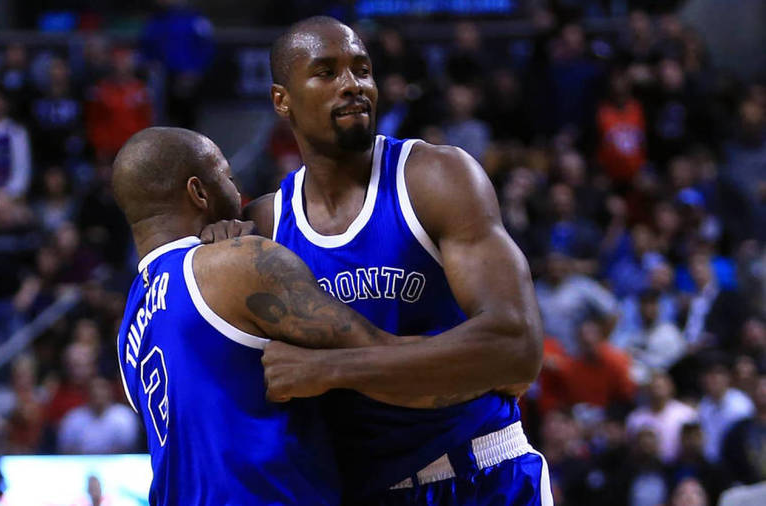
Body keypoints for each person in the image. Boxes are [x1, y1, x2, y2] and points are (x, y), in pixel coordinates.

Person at [207, 16, 547, 505]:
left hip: (480, 473)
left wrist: (332, 369)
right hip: (362, 489)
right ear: (282, 100)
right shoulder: (264, 226)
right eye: (326, 72)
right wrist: (215, 256)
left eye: (362, 69)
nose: (352, 85)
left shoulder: (435, 177)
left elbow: (517, 349)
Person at [112, 127, 521, 505]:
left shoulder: (129, 329)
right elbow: (384, 360)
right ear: (198, 193)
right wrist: (491, 368)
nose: (239, 194)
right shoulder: (236, 266)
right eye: (228, 177)